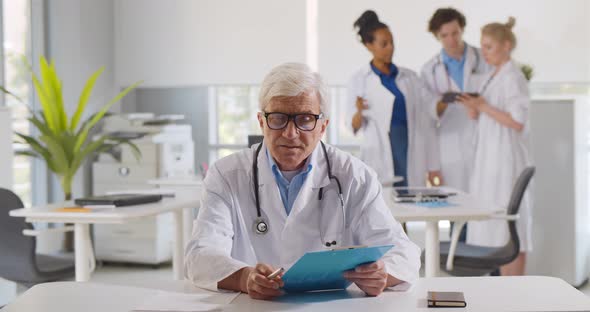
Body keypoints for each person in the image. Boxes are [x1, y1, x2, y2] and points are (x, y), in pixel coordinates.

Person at [185, 63, 421, 299]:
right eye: (278, 118)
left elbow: (404, 252)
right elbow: (200, 255)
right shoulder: (226, 175)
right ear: (261, 121)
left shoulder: (355, 176)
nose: (290, 133)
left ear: (322, 126)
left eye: (305, 119)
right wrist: (243, 277)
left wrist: (382, 273)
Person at [457, 17, 533, 276]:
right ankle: (503, 291)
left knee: (509, 228)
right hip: (489, 160)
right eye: (483, 46)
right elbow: (485, 116)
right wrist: (473, 109)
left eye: (489, 47)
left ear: (507, 45)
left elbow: (518, 121)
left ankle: (516, 291)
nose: (484, 53)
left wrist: (483, 107)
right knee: (493, 229)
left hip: (506, 160)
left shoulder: (514, 77)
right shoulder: (492, 76)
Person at [348, 10, 441, 188]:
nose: (390, 47)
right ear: (369, 45)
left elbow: (427, 117)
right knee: (382, 202)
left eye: (392, 42)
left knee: (408, 198)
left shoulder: (411, 77)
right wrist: (359, 111)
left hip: (410, 146)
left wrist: (432, 165)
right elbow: (353, 125)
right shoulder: (359, 80)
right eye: (384, 44)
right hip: (380, 149)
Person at [420, 7, 490, 192]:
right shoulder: (429, 70)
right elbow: (428, 117)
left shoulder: (484, 59)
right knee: (456, 204)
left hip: (483, 136)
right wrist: (432, 166)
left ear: (462, 29)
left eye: (455, 33)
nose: (451, 40)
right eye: (445, 35)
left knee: (485, 200)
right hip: (450, 143)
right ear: (437, 36)